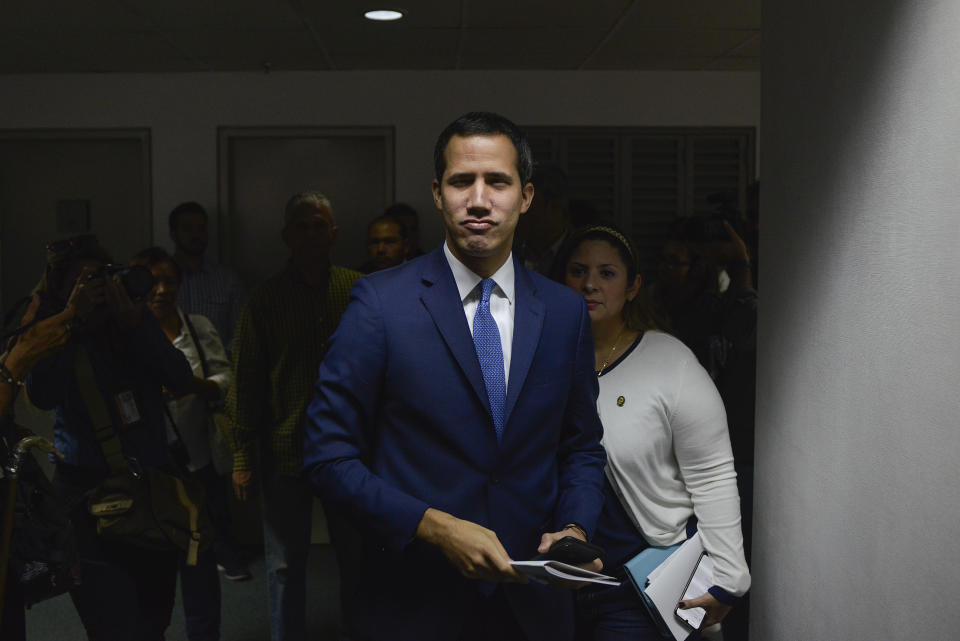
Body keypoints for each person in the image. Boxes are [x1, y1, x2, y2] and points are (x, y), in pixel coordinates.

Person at [303, 111, 607, 641]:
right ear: (438, 194)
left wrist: (575, 528)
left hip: (532, 606)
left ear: (527, 196)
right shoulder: (380, 305)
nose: (479, 199)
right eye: (461, 181)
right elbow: (328, 457)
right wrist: (434, 526)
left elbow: (581, 446)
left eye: (498, 181)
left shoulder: (564, 313)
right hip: (413, 602)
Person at [556, 225, 750, 640]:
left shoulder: (669, 361)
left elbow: (712, 473)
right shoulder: (539, 365)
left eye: (607, 273)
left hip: (642, 583)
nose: (590, 284)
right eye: (577, 271)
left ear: (633, 287)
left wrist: (729, 577)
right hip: (556, 585)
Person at [25, 234, 196, 641]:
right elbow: (42, 394)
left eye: (101, 277)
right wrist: (71, 320)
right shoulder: (56, 331)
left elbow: (180, 379)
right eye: (83, 282)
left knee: (153, 622)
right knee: (111, 627)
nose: (97, 289)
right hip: (85, 498)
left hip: (150, 491)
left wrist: (136, 325)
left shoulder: (135, 322)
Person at [225, 192, 361, 641]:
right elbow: (245, 381)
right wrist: (242, 455)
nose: (310, 234)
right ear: (286, 236)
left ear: (334, 234)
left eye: (318, 225)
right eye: (300, 226)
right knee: (285, 565)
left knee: (356, 558)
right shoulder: (265, 300)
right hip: (286, 448)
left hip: (349, 450)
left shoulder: (357, 290)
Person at [131, 246, 239, 641]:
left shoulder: (197, 326)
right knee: (151, 575)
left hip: (195, 463)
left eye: (169, 281)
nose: (161, 290)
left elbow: (226, 381)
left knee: (200, 567)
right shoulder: (122, 335)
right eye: (152, 281)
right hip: (146, 473)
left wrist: (190, 385)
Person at [169, 202, 246, 354]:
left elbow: (241, 333)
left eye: (201, 228)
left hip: (218, 370)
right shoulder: (161, 281)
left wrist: (218, 364)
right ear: (174, 234)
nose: (196, 235)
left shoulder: (227, 280)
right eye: (188, 229)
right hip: (169, 371)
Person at [516, 163, 572, 277]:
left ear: (554, 207)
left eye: (527, 202)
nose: (519, 212)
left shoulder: (577, 252)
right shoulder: (512, 251)